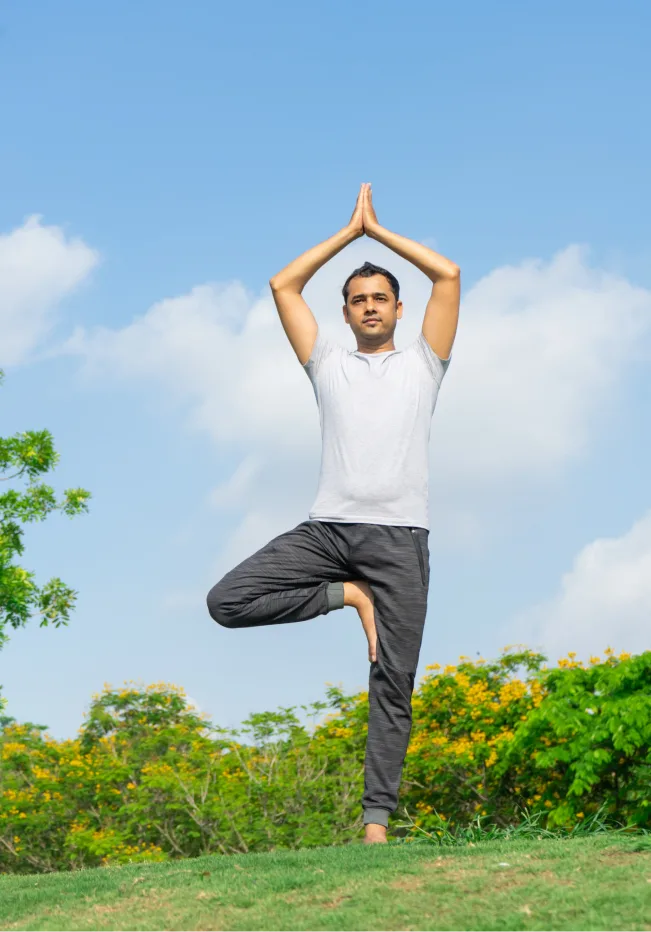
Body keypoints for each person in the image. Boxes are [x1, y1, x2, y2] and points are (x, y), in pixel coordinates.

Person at [207, 183, 460, 844]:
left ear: (398, 309)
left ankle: (375, 823)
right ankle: (347, 595)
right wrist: (349, 237)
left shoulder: (424, 365)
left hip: (401, 539)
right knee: (226, 600)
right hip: (327, 531)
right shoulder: (325, 363)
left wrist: (381, 233)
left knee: (393, 680)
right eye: (357, 300)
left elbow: (448, 273)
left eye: (379, 298)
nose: (369, 307)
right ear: (344, 314)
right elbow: (281, 284)